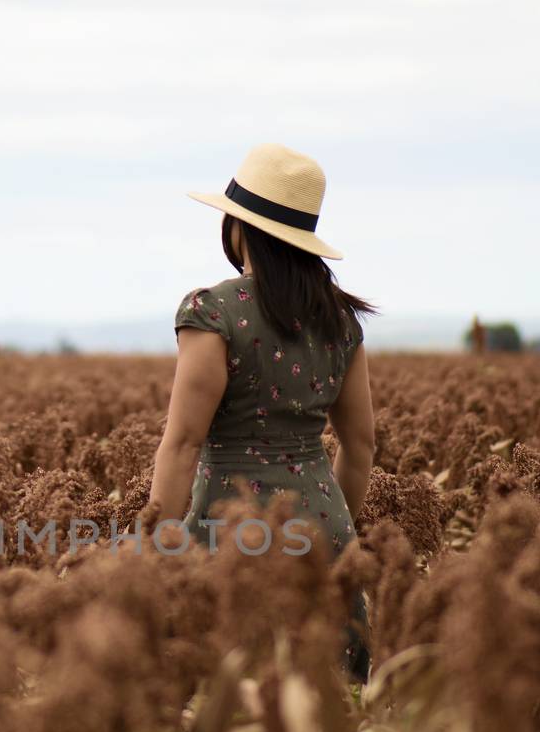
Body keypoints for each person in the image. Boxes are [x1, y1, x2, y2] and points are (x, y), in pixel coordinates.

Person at [146, 142, 376, 684]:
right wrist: (336, 526)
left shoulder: (212, 314)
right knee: (325, 709)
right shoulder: (340, 321)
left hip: (233, 525)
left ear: (239, 229)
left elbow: (181, 444)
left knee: (228, 711)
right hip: (323, 526)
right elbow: (361, 446)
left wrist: (156, 545)